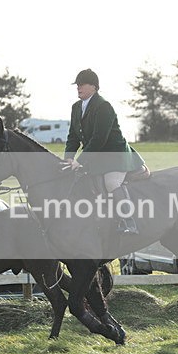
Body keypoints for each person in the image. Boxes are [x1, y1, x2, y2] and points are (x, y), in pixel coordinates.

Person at [62, 69, 147, 234]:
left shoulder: (103, 106)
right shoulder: (76, 107)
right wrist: (69, 158)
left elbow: (99, 139)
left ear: (93, 86)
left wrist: (80, 161)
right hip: (95, 158)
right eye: (77, 84)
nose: (78, 87)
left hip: (115, 156)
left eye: (82, 84)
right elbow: (73, 136)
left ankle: (129, 222)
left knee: (111, 183)